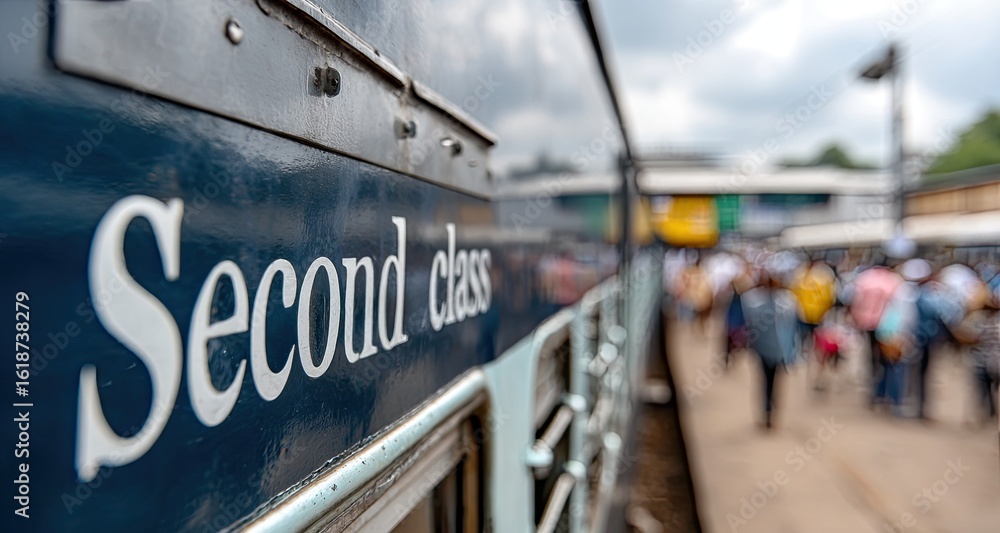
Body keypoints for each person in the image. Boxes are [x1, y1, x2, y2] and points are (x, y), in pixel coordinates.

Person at [742, 257, 800, 429]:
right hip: (777, 351)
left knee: (765, 381)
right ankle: (771, 410)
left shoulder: (754, 301)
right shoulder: (787, 302)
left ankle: (767, 410)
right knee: (774, 381)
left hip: (765, 350)